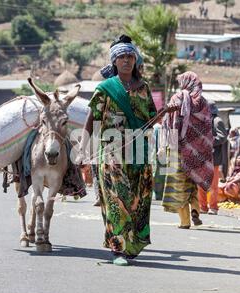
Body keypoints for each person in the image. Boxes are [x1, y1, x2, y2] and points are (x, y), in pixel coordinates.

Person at [78, 34, 171, 266]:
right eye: (122, 57)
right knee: (116, 200)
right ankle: (118, 249)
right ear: (114, 62)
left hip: (139, 152)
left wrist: (166, 112)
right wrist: (82, 149)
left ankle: (132, 245)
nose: (127, 60)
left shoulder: (144, 88)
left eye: (130, 56)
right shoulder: (105, 88)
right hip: (111, 153)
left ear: (135, 60)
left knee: (137, 201)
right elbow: (91, 122)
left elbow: (151, 119)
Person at [161, 71, 214, 228]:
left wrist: (165, 147)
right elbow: (207, 128)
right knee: (193, 182)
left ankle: (184, 221)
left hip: (178, 150)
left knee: (178, 185)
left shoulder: (177, 99)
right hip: (198, 153)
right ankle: (196, 210)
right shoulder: (204, 102)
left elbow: (170, 125)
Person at [198, 101, 228, 215]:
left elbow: (222, 137)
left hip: (213, 158)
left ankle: (213, 207)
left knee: (213, 185)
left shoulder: (217, 121)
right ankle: (203, 206)